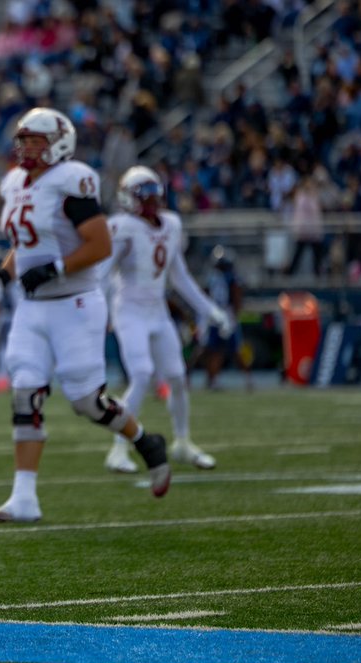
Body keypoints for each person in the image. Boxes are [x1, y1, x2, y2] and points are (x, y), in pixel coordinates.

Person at [0, 108, 171, 524]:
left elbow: (99, 244)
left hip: (76, 303)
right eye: (24, 140)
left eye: (37, 141)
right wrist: (2, 273)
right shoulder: (13, 182)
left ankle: (144, 440)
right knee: (25, 391)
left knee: (86, 402)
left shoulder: (72, 178)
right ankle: (24, 497)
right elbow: (26, 245)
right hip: (32, 307)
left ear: (60, 143)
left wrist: (57, 268)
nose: (27, 148)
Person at [99, 166, 234, 474]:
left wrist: (211, 310)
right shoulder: (122, 227)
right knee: (142, 374)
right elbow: (103, 274)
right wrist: (101, 312)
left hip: (157, 311)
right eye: (141, 193)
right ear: (127, 197)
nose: (148, 200)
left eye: (151, 193)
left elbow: (180, 277)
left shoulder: (172, 224)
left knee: (176, 376)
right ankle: (119, 449)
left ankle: (183, 442)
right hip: (129, 310)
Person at [198, 245, 252, 391]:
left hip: (214, 315)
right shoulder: (229, 278)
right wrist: (235, 314)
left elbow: (206, 295)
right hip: (225, 315)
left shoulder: (214, 277)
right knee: (229, 349)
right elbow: (236, 297)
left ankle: (211, 380)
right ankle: (246, 379)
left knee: (214, 349)